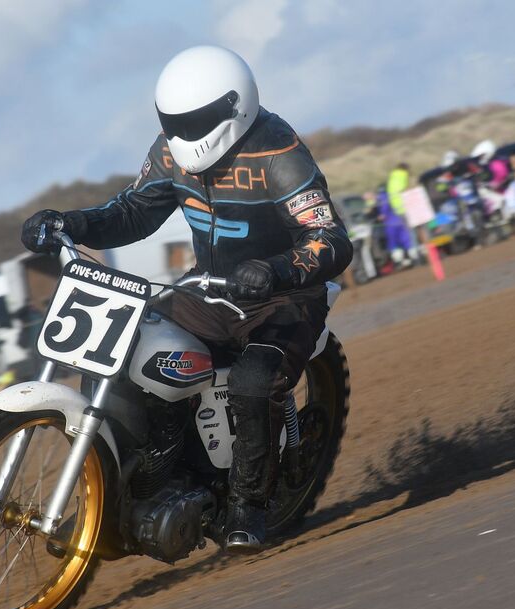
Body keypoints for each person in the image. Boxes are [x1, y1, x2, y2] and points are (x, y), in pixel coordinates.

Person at [21, 45, 352, 553]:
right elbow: (134, 212)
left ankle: (247, 506)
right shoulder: (169, 151)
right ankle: (145, 483)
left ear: (234, 105)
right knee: (134, 351)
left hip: (285, 297)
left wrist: (276, 270)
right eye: (174, 120)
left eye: (197, 119)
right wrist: (72, 222)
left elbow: (330, 239)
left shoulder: (279, 152)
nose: (185, 130)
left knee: (253, 379)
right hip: (209, 288)